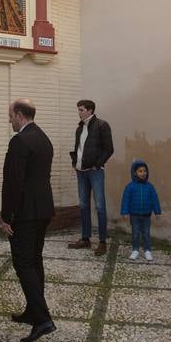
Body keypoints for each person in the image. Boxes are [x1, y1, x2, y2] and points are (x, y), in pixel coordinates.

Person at [2, 98, 56, 342]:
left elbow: (14, 183)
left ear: (21, 115)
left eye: (11, 115)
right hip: (43, 210)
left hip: (24, 213)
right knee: (34, 261)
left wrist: (7, 216)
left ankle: (42, 319)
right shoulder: (43, 138)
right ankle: (33, 310)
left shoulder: (20, 141)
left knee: (23, 263)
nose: (9, 120)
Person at [67, 99, 114, 256]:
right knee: (83, 205)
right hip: (81, 172)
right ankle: (85, 239)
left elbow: (109, 149)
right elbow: (78, 149)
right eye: (78, 109)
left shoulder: (102, 125)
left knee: (100, 206)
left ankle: (102, 242)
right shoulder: (79, 128)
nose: (78, 112)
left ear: (90, 110)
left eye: (81, 110)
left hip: (95, 171)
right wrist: (75, 163)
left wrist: (97, 164)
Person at [120, 159, 162, 261]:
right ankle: (135, 250)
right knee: (135, 233)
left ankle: (147, 250)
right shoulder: (130, 187)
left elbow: (154, 199)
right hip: (134, 215)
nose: (143, 173)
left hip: (146, 215)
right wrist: (124, 212)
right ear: (135, 173)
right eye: (140, 171)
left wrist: (157, 211)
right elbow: (125, 200)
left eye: (144, 171)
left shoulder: (150, 187)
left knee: (146, 233)